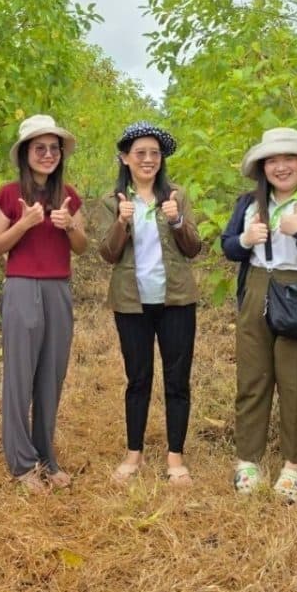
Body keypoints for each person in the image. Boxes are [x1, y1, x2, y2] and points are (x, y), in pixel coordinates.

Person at [220, 127, 297, 502]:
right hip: (257, 290)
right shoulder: (248, 202)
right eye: (272, 160)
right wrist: (244, 241)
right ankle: (248, 461)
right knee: (252, 379)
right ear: (262, 167)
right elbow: (227, 247)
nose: (281, 166)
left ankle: (293, 467)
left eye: (288, 158)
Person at [98, 122, 202, 486]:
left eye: (154, 153)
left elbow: (193, 248)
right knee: (137, 379)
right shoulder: (113, 202)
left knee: (177, 380)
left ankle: (176, 457)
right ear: (125, 158)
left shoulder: (177, 195)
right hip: (132, 303)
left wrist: (177, 220)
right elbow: (107, 254)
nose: (147, 159)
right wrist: (121, 224)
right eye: (139, 153)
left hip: (176, 300)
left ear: (161, 159)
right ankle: (133, 454)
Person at [0, 115, 86, 493]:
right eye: (39, 148)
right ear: (25, 153)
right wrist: (25, 224)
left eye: (53, 148)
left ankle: (46, 455)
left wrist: (70, 226)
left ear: (61, 154)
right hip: (22, 286)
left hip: (58, 288)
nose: (47, 154)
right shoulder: (10, 193)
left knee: (51, 374)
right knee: (20, 374)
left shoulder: (69, 195)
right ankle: (21, 462)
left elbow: (82, 246)